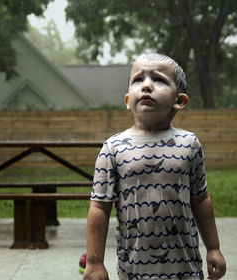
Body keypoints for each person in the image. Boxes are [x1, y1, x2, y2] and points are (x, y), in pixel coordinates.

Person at [83, 53, 226, 280]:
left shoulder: (189, 144)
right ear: (128, 100)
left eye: (158, 80)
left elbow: (200, 199)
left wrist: (213, 248)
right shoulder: (113, 148)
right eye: (138, 79)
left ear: (179, 101)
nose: (147, 85)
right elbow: (99, 208)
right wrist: (94, 262)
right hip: (134, 269)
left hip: (185, 268)